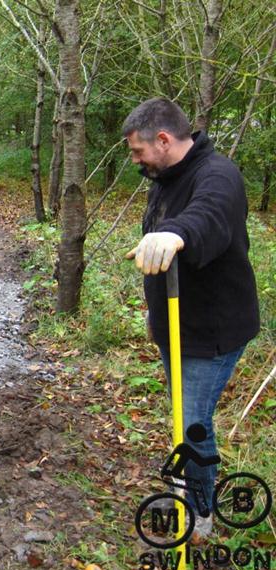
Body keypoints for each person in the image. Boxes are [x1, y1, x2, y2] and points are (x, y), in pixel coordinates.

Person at [123, 98, 260, 539]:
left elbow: (208, 218)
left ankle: (200, 511)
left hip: (211, 333)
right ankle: (187, 490)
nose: (135, 160)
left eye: (138, 151)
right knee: (184, 416)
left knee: (192, 422)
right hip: (178, 328)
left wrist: (175, 234)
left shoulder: (218, 175)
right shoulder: (166, 175)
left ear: (163, 140)